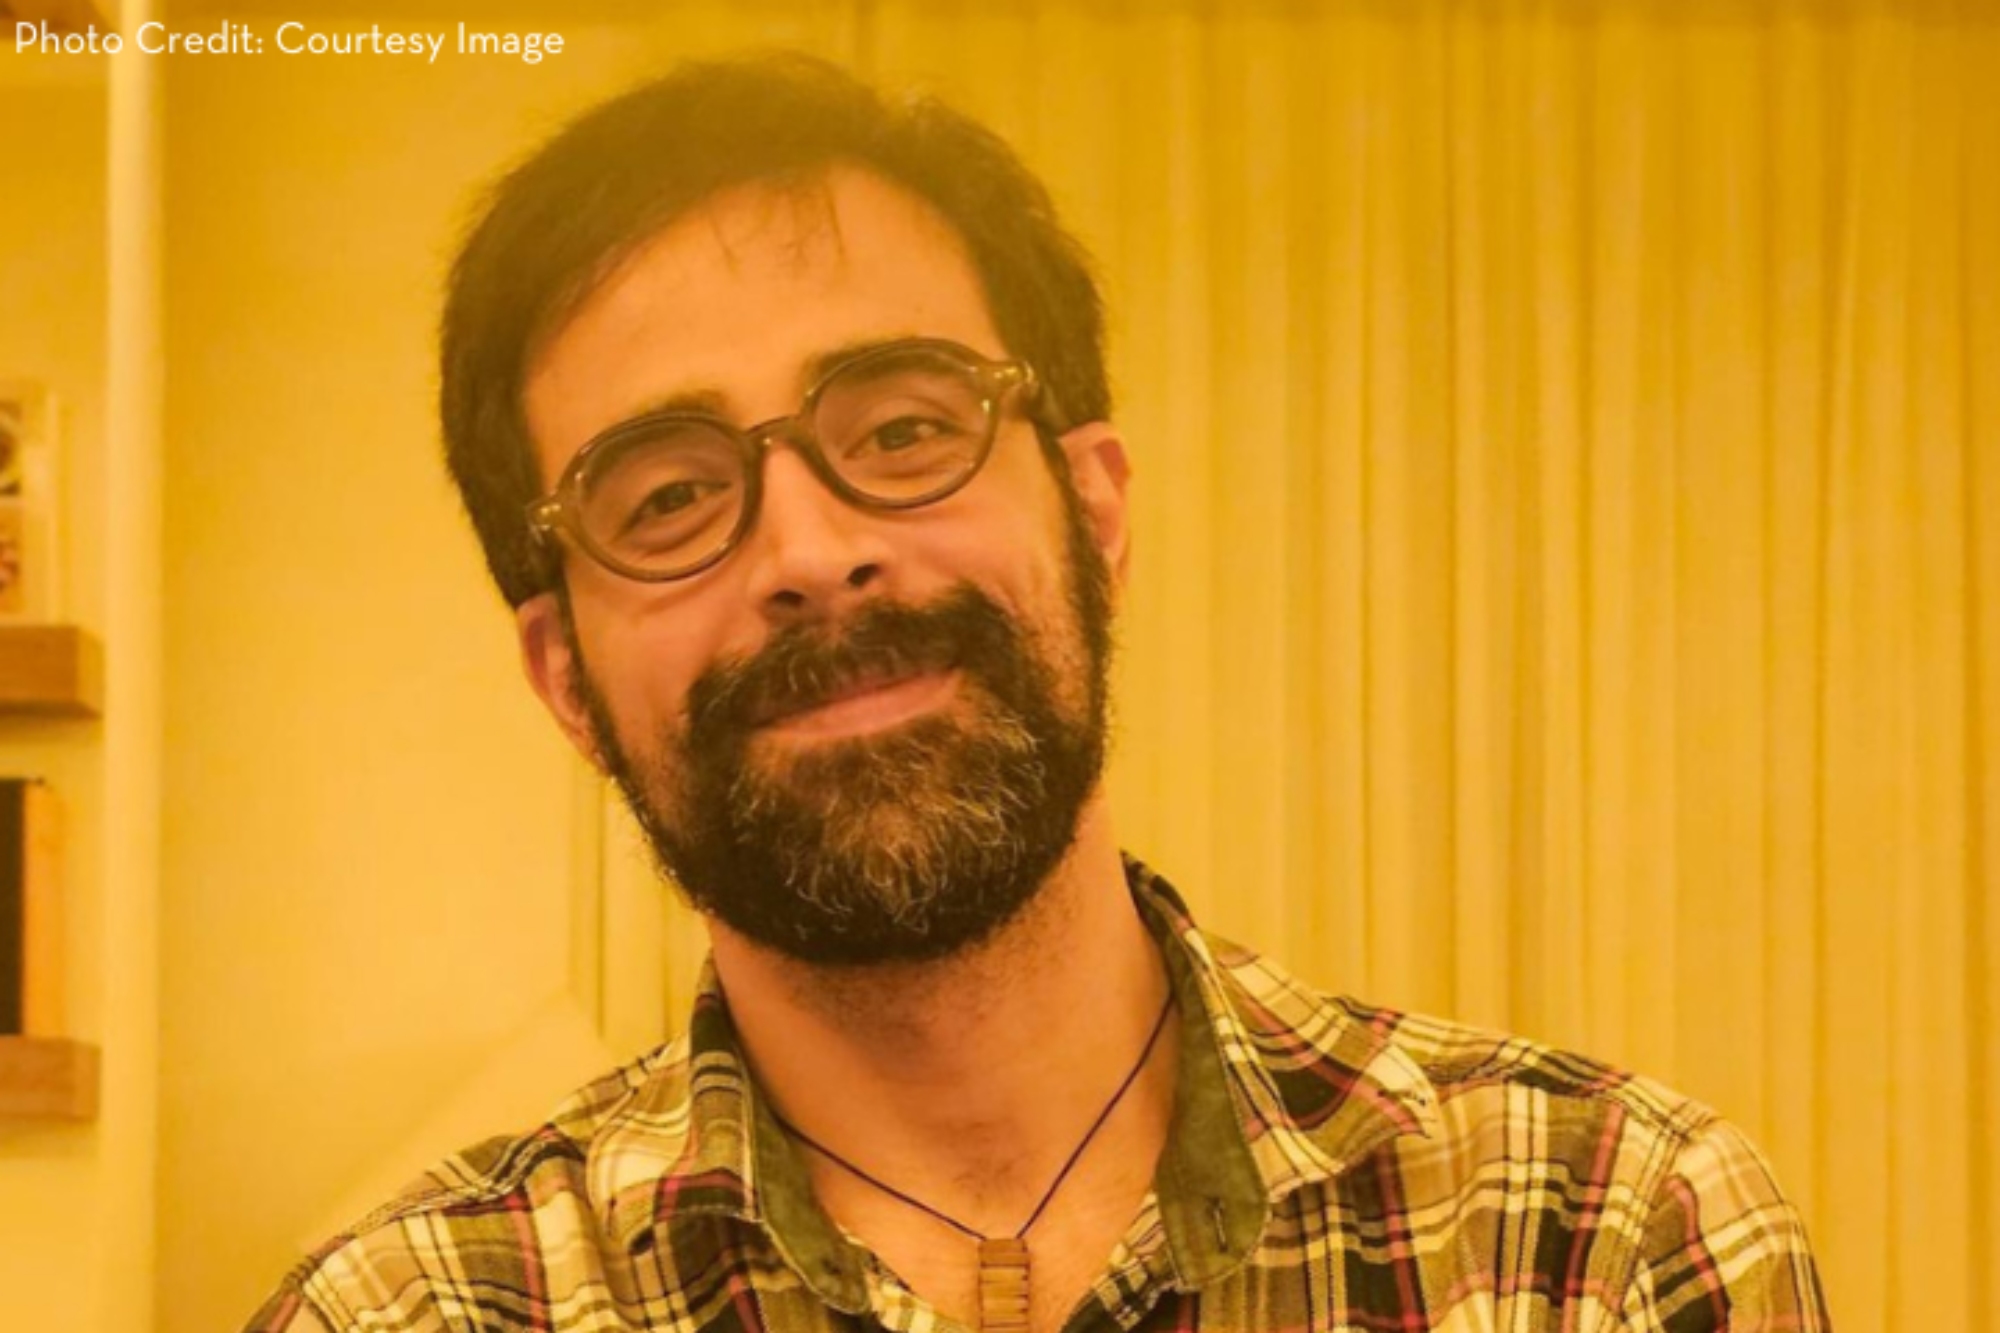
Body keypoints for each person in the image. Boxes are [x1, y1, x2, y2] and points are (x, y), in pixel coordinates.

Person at [245, 55, 1829, 1333]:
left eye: (904, 429)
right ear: (566, 681)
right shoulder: (414, 1312)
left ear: (1097, 513)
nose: (812, 551)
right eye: (666, 499)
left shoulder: (1603, 1237)